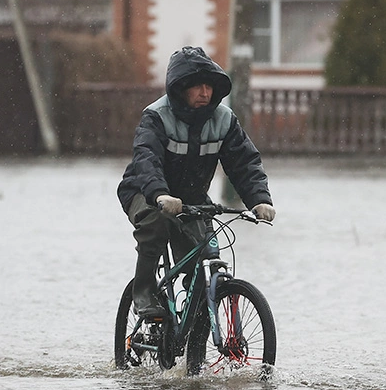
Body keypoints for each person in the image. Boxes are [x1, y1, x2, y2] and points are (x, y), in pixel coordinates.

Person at [117, 46, 276, 318]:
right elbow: (147, 159)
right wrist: (159, 194)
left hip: (192, 198)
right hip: (145, 191)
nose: (205, 93)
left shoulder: (224, 120)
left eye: (209, 86)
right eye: (197, 86)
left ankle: (195, 325)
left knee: (205, 257)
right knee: (155, 224)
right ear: (180, 89)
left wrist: (259, 199)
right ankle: (143, 292)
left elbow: (244, 163)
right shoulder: (156, 116)